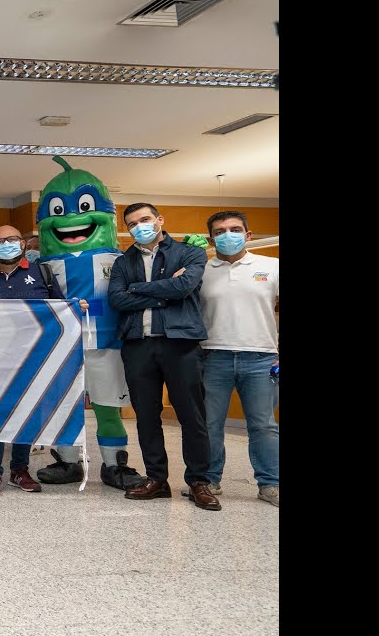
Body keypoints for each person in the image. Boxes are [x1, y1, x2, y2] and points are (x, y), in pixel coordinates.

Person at [31, 157, 148, 491]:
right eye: (58, 210)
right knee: (62, 406)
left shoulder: (123, 259)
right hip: (60, 348)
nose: (72, 218)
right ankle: (68, 462)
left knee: (108, 407)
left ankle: (115, 466)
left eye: (84, 206)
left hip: (107, 344)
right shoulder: (41, 264)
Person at [108, 203, 217, 510]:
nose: (139, 226)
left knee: (192, 417)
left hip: (180, 343)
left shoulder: (189, 253)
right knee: (146, 416)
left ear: (159, 220)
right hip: (138, 344)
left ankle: (198, 481)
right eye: (132, 223)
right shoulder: (123, 261)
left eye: (144, 219)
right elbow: (116, 299)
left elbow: (183, 287)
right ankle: (157, 479)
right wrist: (162, 290)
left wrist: (138, 290)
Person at [0, 225, 65, 497]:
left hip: (32, 359)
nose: (6, 244)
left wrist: (77, 309)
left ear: (21, 243)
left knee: (26, 412)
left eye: (11, 239)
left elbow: (60, 311)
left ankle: (20, 468)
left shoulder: (41, 273)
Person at [198, 211, 279, 507]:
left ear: (248, 235)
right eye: (220, 231)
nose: (227, 235)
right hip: (212, 356)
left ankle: (271, 484)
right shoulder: (201, 270)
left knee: (263, 425)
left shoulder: (271, 267)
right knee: (209, 424)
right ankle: (208, 481)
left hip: (261, 358)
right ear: (210, 238)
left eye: (234, 229)